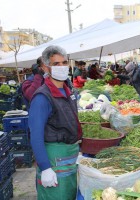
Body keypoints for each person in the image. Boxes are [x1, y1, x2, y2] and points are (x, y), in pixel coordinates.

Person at [29, 45, 82, 200]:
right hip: (53, 160)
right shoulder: (42, 97)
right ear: (46, 67)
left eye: (64, 62)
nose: (62, 67)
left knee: (69, 195)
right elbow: (35, 135)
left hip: (69, 158)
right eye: (56, 64)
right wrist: (45, 168)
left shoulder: (67, 91)